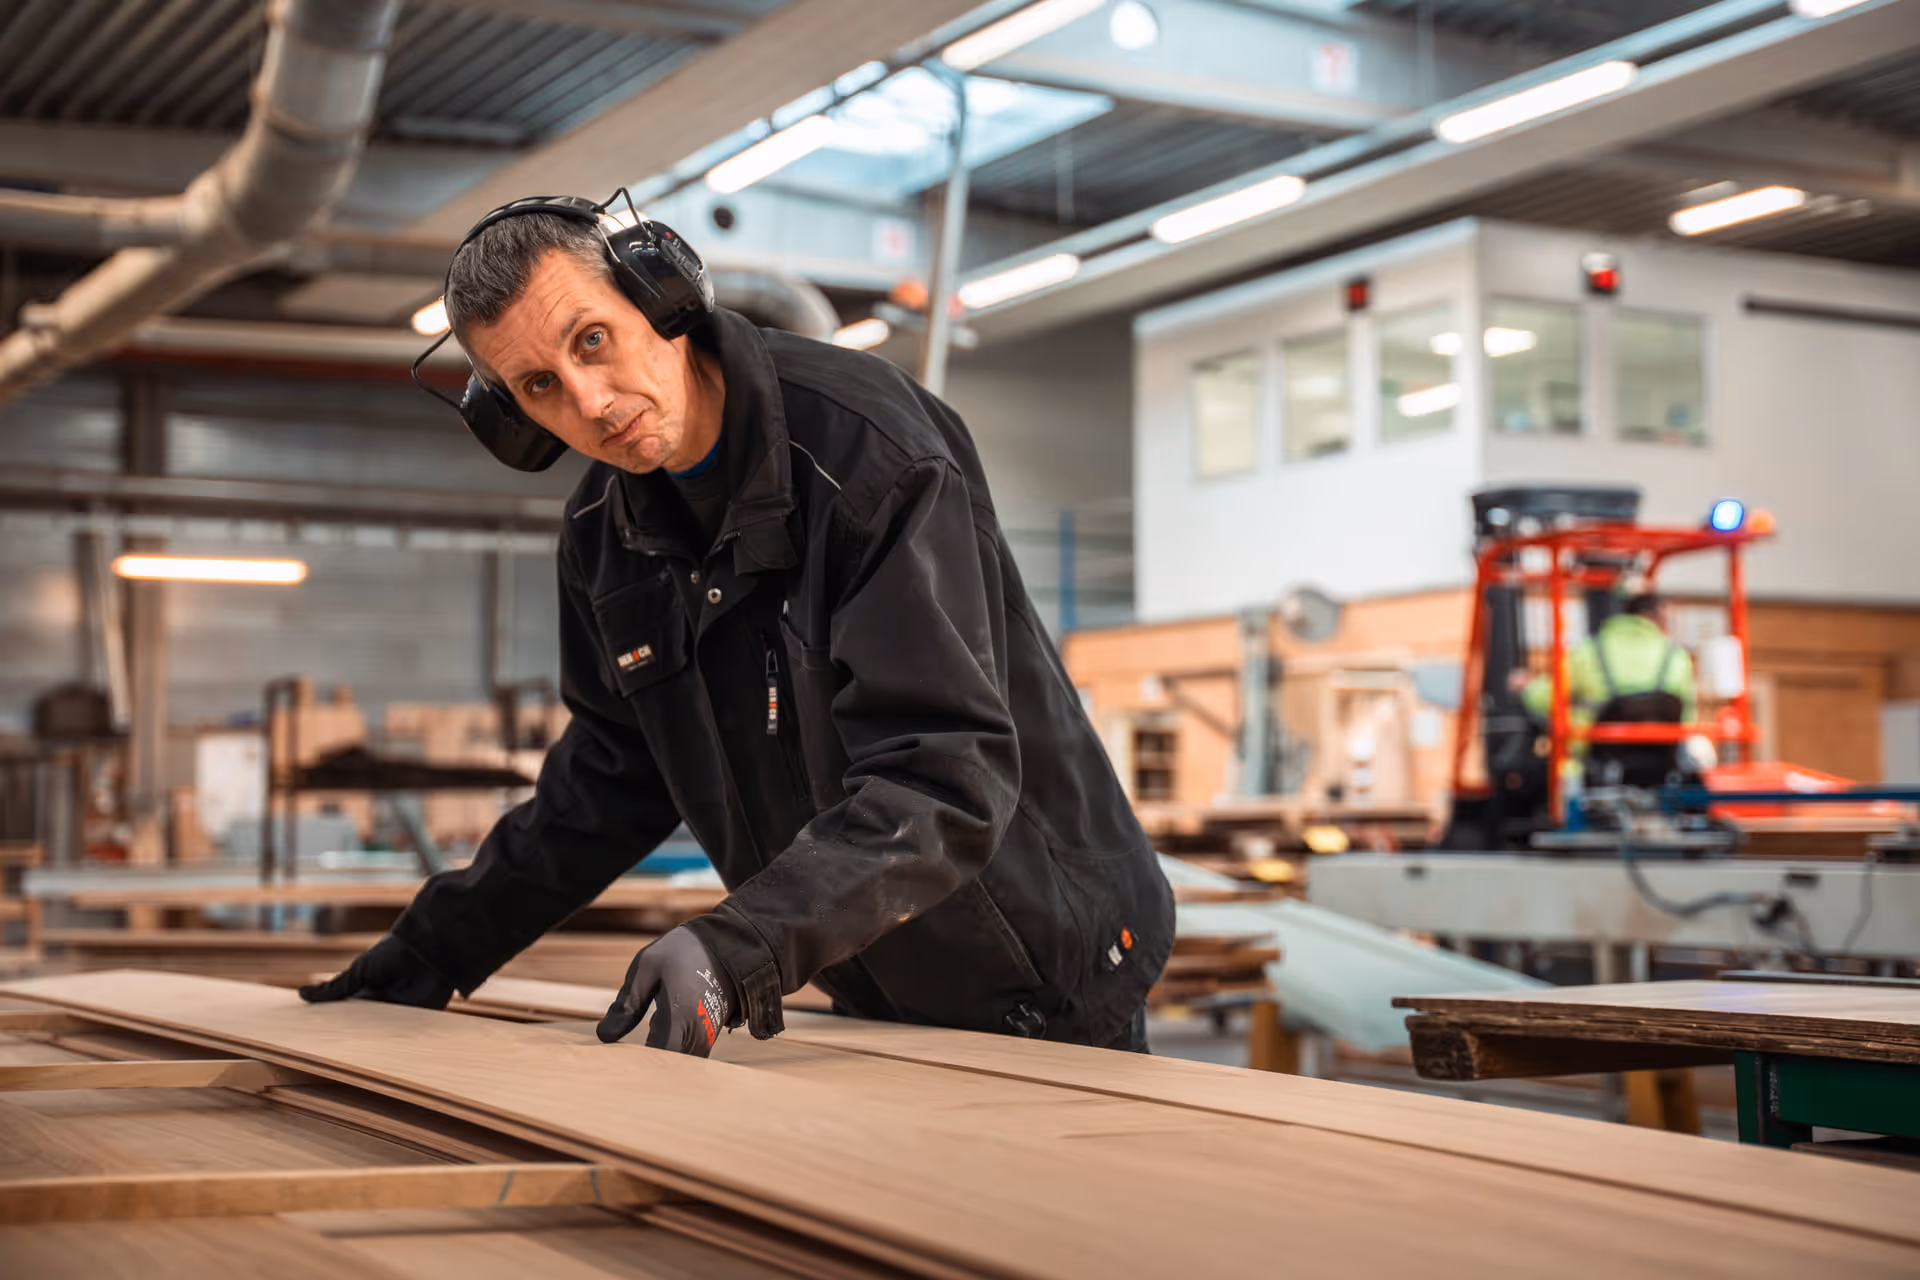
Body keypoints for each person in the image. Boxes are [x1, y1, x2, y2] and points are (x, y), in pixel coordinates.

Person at [301, 196, 1173, 1056]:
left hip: (1043, 962)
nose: (592, 402)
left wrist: (743, 940)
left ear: (661, 295)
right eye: (540, 387)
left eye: (591, 340)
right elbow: (611, 778)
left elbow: (946, 777)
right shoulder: (603, 534)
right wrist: (439, 945)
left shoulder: (873, 456)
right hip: (869, 970)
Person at [1518, 592, 1697, 778]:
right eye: (1666, 621)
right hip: (1661, 766)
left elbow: (1544, 698)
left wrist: (1527, 688)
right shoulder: (1678, 657)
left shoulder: (1588, 651)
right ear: (1649, 617)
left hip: (1595, 765)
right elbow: (1687, 717)